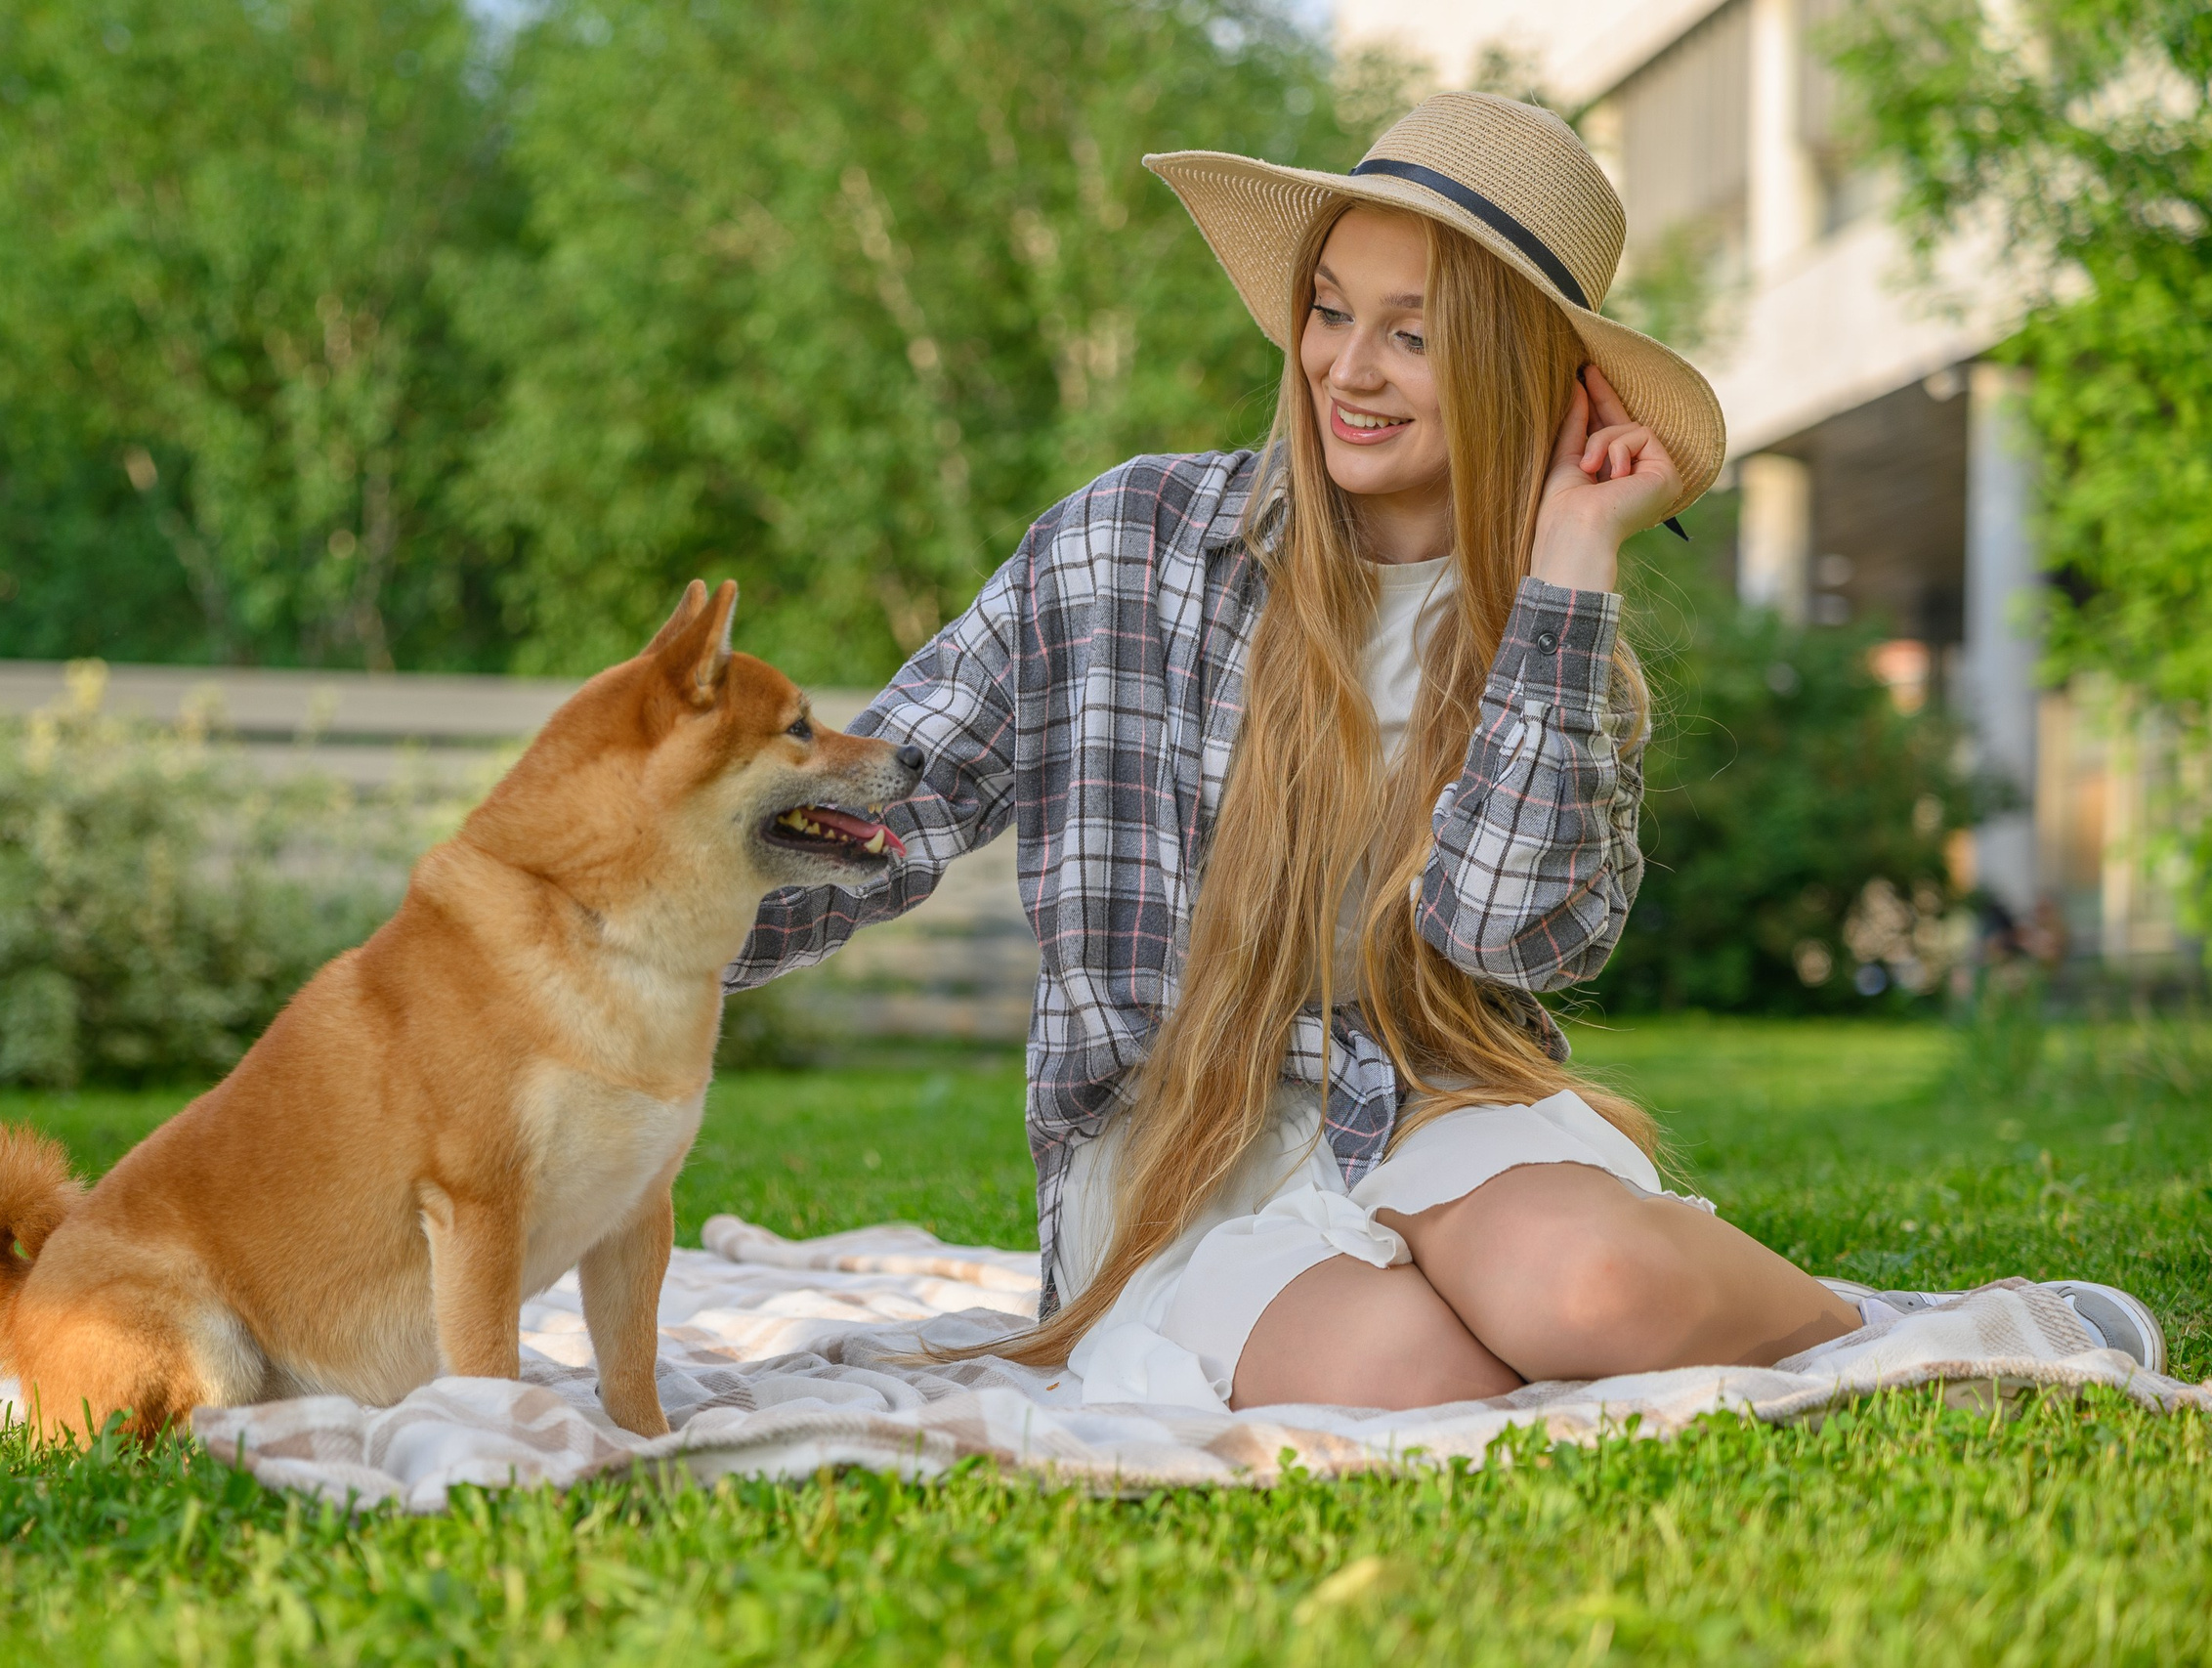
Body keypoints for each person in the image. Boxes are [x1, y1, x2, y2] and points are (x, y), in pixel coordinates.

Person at [727, 92, 2164, 1408]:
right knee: (1406, 1375)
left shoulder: (1546, 625)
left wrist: (1574, 563)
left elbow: (1506, 935)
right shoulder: (1131, 543)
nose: (1348, 370)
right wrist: (615, 924)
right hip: (1178, 1153)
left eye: (1411, 334)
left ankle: (1930, 1327)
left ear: (1507, 362)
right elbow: (889, 800)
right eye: (1331, 312)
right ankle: (1625, 1323)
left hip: (1435, 1097)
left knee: (1589, 1291)